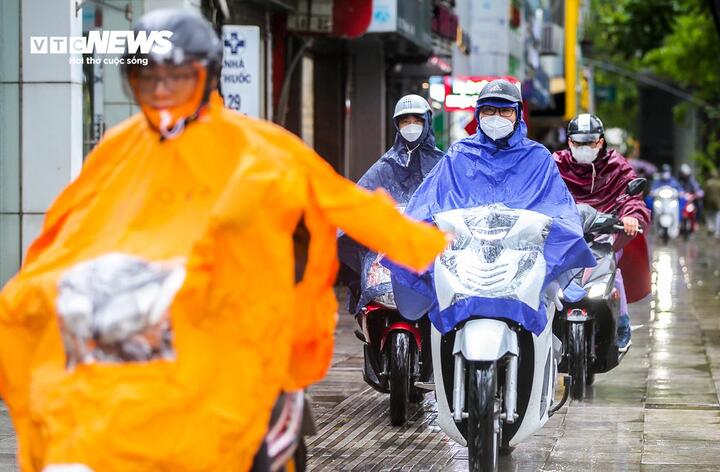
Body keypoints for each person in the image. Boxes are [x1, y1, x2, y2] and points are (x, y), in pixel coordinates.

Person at [0, 10, 448, 472]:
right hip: (139, 329)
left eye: (177, 77)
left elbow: (346, 203)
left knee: (248, 440)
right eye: (147, 77)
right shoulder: (117, 149)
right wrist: (33, 295)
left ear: (208, 76)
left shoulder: (258, 147)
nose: (161, 90)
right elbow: (65, 233)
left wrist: (430, 249)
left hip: (234, 330)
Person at [386, 79, 595, 342]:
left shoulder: (538, 158)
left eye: (504, 110)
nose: (496, 117)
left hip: (521, 263)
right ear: (478, 114)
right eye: (489, 111)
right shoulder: (459, 155)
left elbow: (558, 208)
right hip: (465, 262)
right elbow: (428, 202)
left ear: (517, 113)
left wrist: (557, 237)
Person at [553, 113, 651, 351]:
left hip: (604, 234)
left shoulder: (616, 165)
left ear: (601, 141)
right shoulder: (555, 164)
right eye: (578, 143)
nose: (584, 147)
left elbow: (632, 198)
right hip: (565, 235)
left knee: (612, 270)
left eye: (590, 142)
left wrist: (631, 217)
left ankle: (622, 323)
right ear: (569, 142)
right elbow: (539, 193)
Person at [339, 94, 443, 312]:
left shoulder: (443, 163)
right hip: (389, 249)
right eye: (406, 121)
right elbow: (363, 196)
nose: (411, 126)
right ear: (397, 125)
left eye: (417, 120)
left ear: (427, 122)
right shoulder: (385, 165)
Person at [705, 168, 720, 238]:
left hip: (709, 202)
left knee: (709, 215)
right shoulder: (719, 183)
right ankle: (717, 231)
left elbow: (705, 193)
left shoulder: (708, 183)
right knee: (717, 216)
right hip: (718, 203)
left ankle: (711, 227)